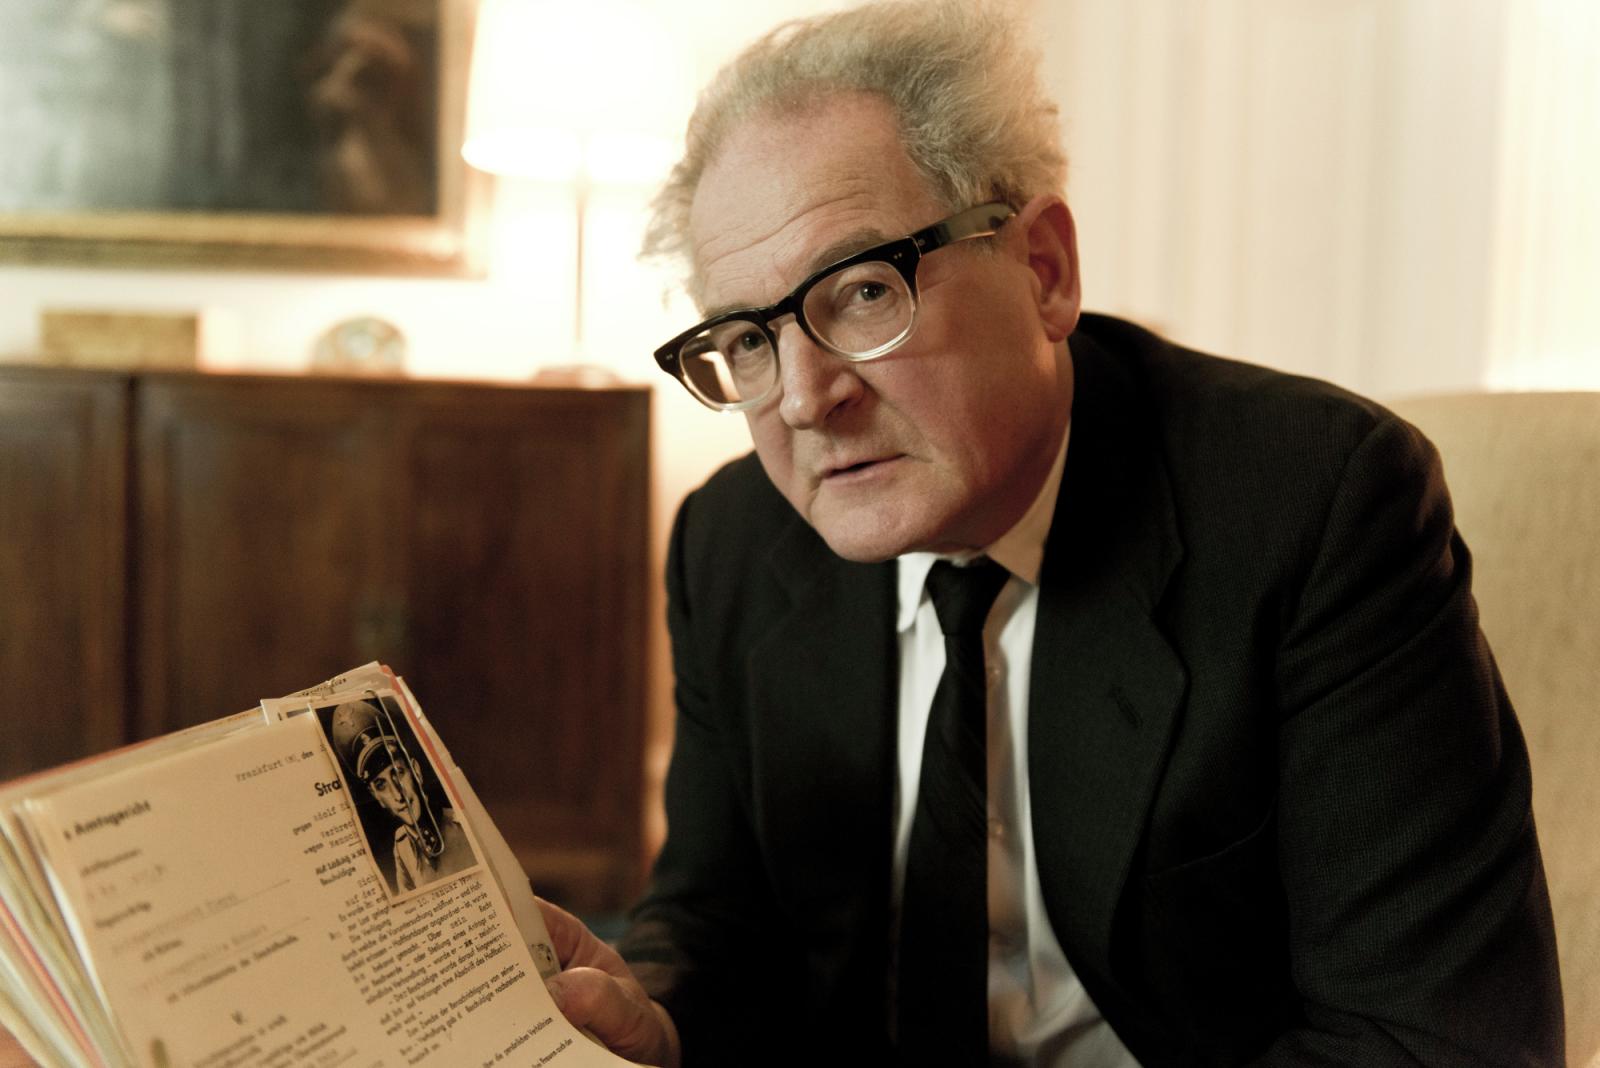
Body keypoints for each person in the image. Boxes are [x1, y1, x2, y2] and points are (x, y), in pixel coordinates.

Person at [535, 2, 1563, 1066]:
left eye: (863, 291)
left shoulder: (1316, 508)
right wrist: (658, 1014)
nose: (803, 398)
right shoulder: (732, 542)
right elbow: (717, 922)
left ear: (1044, 270)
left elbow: (1432, 1039)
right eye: (748, 340)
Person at [329, 699, 475, 893]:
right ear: (376, 797)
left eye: (398, 773)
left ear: (416, 771)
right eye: (381, 785)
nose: (398, 794)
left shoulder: (462, 824)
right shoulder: (402, 848)